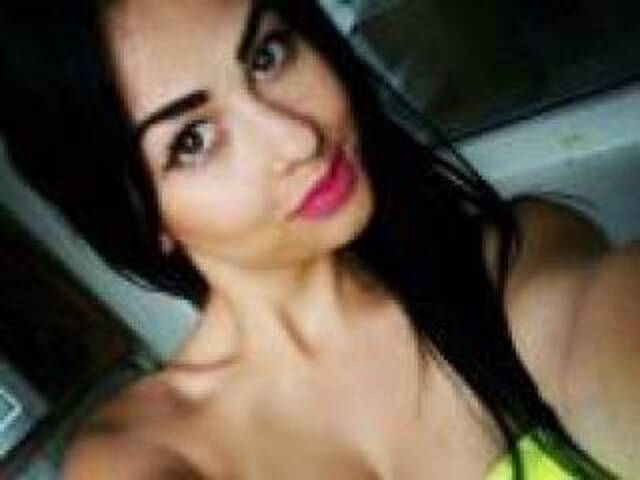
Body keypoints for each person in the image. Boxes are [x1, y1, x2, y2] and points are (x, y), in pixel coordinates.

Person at [0, 0, 638, 478]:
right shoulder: (146, 455)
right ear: (141, 217)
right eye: (193, 140)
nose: (298, 139)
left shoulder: (512, 262)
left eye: (267, 56)